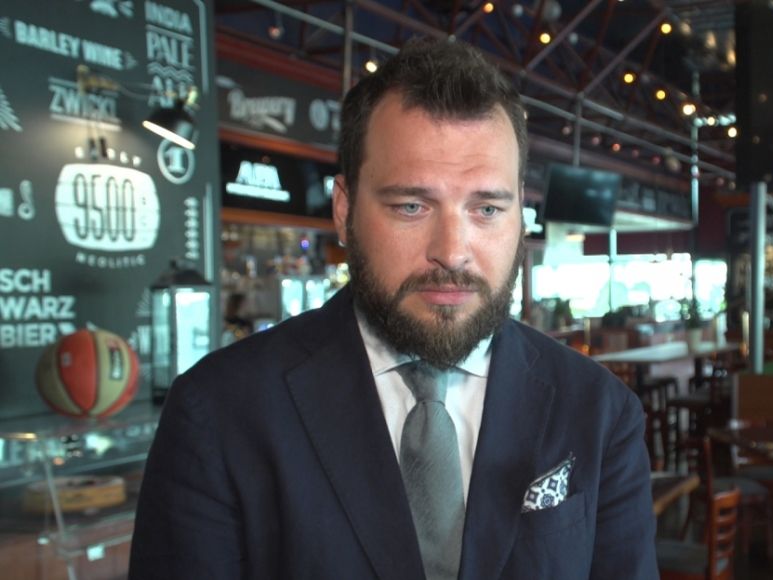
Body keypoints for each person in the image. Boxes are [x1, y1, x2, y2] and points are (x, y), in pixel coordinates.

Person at [129, 37, 657, 579]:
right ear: (344, 209)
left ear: (520, 214)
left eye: (486, 209)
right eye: (411, 206)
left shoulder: (599, 412)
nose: (452, 251)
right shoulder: (219, 411)